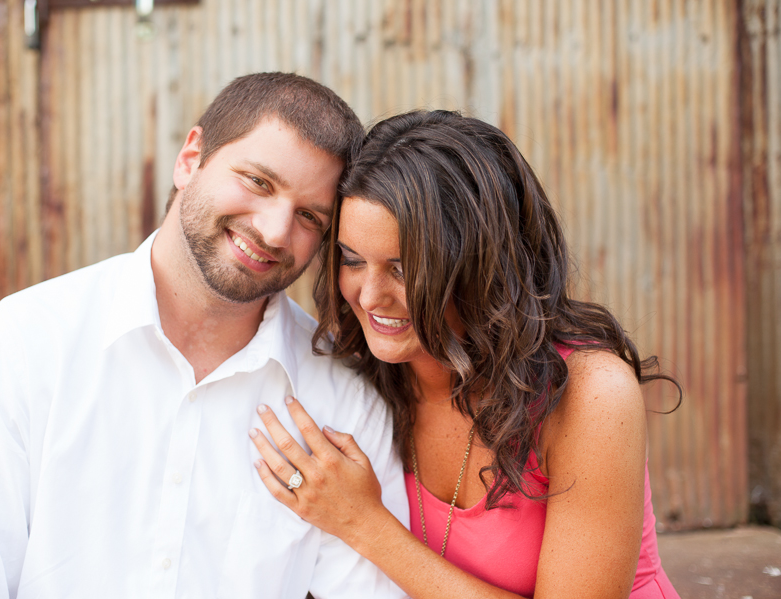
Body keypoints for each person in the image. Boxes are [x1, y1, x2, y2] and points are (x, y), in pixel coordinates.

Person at [0, 73, 409, 599]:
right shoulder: (26, 342)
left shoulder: (343, 401)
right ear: (191, 159)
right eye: (257, 181)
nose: (275, 231)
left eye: (308, 216)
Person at [250, 110, 682, 599]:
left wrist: (363, 523)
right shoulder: (369, 374)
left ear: (483, 264)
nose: (369, 297)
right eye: (352, 260)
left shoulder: (588, 391)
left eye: (404, 268)